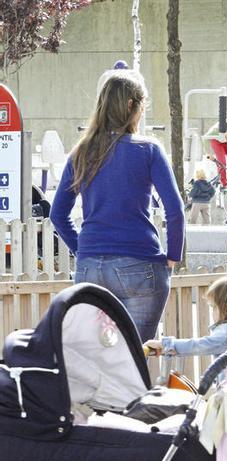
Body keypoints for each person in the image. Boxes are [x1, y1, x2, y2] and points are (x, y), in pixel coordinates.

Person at [50, 71, 184, 343]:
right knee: (134, 358)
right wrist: (173, 255)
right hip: (140, 262)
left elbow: (57, 214)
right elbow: (175, 209)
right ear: (132, 107)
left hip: (89, 267)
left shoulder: (82, 152)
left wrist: (81, 248)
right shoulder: (148, 149)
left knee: (95, 358)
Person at [144, 273, 227, 369]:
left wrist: (166, 345)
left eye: (213, 307)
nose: (212, 312)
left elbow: (199, 345)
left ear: (226, 308)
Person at [204, 123, 227, 187]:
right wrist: (208, 155)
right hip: (216, 140)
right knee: (222, 162)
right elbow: (205, 138)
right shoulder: (215, 131)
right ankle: (223, 183)